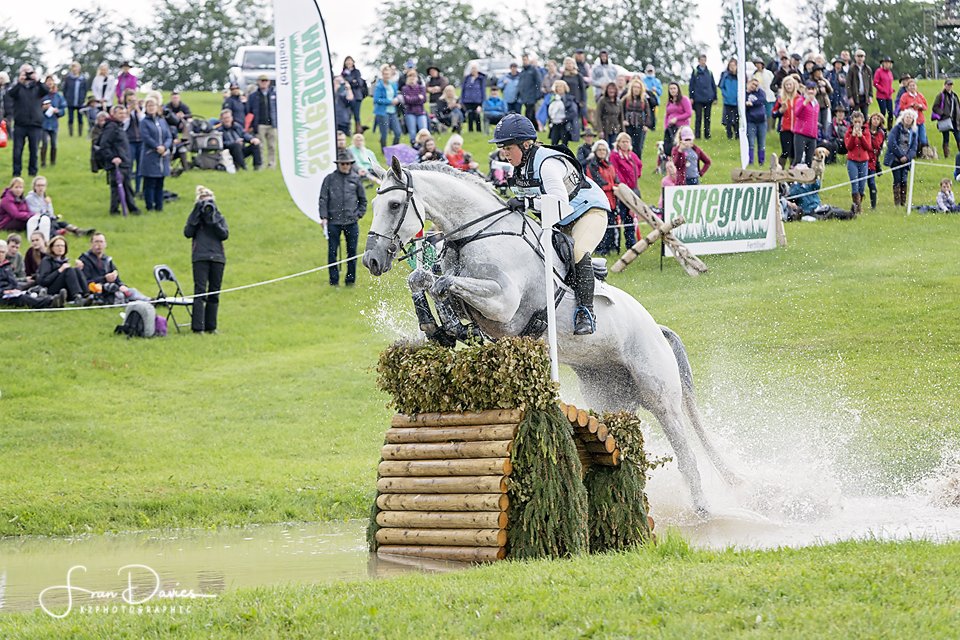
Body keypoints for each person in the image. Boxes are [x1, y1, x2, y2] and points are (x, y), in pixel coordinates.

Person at [489, 113, 611, 334]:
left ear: (526, 145)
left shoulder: (547, 163)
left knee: (577, 250)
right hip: (558, 219)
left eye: (508, 148)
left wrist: (526, 202)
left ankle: (586, 311)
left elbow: (559, 202)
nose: (504, 153)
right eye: (502, 148)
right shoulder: (518, 169)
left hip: (588, 211)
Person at [184, 186, 229, 332]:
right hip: (200, 257)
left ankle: (211, 327)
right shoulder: (195, 219)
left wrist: (213, 219)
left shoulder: (219, 216)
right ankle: (197, 328)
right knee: (200, 292)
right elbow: (188, 232)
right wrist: (196, 212)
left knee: (214, 293)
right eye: (203, 203)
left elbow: (224, 235)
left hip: (217, 257)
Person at [318, 151, 365, 287]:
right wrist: (324, 217)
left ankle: (350, 280)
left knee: (352, 252)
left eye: (347, 164)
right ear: (338, 165)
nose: (345, 166)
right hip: (333, 221)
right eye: (342, 164)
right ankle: (333, 280)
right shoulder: (330, 179)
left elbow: (363, 200)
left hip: (351, 222)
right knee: (332, 252)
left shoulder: (356, 179)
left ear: (350, 165)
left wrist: (358, 214)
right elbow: (323, 199)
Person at [79, 233, 149, 304]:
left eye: (101, 242)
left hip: (111, 288)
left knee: (131, 291)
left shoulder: (107, 260)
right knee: (120, 295)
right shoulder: (85, 260)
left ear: (105, 244)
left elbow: (117, 280)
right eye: (96, 241)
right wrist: (104, 279)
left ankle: (150, 300)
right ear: (91, 244)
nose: (99, 245)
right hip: (96, 290)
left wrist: (122, 285)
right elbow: (85, 281)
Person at [98, 104, 141, 215]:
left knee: (127, 187)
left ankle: (132, 209)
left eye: (124, 113)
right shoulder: (111, 127)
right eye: (120, 113)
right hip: (117, 163)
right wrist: (112, 157)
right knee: (117, 188)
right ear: (113, 114)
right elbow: (104, 145)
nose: (122, 115)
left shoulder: (119, 126)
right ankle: (115, 210)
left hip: (125, 162)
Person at [7, 64, 49, 178]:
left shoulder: (37, 87)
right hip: (20, 124)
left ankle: (32, 172)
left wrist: (38, 80)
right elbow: (10, 94)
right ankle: (16, 173)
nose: (27, 75)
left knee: (34, 150)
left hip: (35, 124)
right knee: (17, 150)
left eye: (29, 72)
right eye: (25, 72)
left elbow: (46, 91)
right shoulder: (17, 87)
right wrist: (20, 82)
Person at [0, 239, 64, 309]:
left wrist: (14, 289)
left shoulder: (6, 266)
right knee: (22, 298)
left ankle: (52, 299)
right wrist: (5, 291)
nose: (0, 254)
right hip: (3, 294)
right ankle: (50, 302)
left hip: (11, 291)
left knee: (28, 292)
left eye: (2, 252)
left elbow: (13, 282)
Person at [584, 139, 622, 256]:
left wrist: (616, 186)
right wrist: (612, 187)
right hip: (600, 200)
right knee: (601, 227)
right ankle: (600, 249)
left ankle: (611, 248)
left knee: (611, 225)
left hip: (612, 200)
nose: (602, 152)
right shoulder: (592, 166)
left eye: (604, 150)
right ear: (595, 151)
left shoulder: (610, 165)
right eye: (599, 150)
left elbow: (616, 180)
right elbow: (598, 183)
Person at [25, 176, 92, 238]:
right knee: (51, 224)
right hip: (38, 221)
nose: (41, 188)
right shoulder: (30, 198)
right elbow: (35, 212)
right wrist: (46, 207)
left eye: (43, 185)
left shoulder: (45, 197)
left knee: (63, 223)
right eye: (38, 185)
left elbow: (51, 213)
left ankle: (78, 231)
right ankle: (57, 233)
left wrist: (48, 204)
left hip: (48, 218)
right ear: (34, 186)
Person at [139, 97, 172, 212]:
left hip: (162, 156)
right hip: (150, 155)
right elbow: (146, 136)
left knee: (160, 182)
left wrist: (165, 147)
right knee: (150, 182)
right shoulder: (144, 122)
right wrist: (157, 146)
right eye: (149, 106)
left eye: (153, 106)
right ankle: (149, 206)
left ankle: (159, 206)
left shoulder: (162, 121)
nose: (151, 108)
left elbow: (169, 136)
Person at [610, 132, 642, 248]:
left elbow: (639, 165)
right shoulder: (615, 155)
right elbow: (615, 171)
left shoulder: (632, 155)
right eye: (622, 141)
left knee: (632, 216)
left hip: (633, 190)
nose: (625, 144)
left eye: (627, 141)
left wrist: (636, 176)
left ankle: (631, 243)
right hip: (622, 191)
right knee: (622, 217)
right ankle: (620, 244)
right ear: (618, 143)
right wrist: (623, 184)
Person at [36, 235, 88, 304]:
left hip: (64, 289)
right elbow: (43, 281)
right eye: (57, 246)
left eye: (62, 246)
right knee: (68, 270)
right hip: (50, 290)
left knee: (76, 270)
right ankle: (77, 297)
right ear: (52, 248)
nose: (60, 248)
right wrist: (59, 270)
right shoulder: (47, 260)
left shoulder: (64, 260)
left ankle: (86, 295)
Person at [884, 109, 919, 207]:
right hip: (895, 159)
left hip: (906, 161)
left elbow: (914, 148)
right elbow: (891, 143)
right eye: (907, 117)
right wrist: (900, 155)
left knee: (904, 180)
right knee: (897, 179)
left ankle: (903, 202)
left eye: (911, 118)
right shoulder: (896, 129)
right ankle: (897, 203)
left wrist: (907, 157)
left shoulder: (914, 132)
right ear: (903, 118)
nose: (908, 119)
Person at [844, 111, 872, 215]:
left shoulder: (866, 132)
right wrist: (853, 136)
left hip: (864, 161)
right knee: (854, 184)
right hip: (852, 161)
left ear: (862, 122)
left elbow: (868, 147)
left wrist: (861, 137)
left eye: (859, 122)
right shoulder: (848, 132)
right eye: (855, 122)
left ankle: (859, 204)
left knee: (862, 185)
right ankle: (856, 207)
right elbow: (848, 147)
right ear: (852, 122)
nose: (857, 124)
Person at [248, 75, 277, 168]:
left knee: (272, 146)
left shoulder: (274, 94)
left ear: (269, 82)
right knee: (260, 146)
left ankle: (271, 164)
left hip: (271, 124)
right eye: (262, 81)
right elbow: (249, 111)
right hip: (259, 124)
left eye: (266, 81)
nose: (264, 82)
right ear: (258, 82)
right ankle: (261, 164)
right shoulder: (253, 96)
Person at [621, 79, 655, 160]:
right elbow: (621, 111)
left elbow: (648, 113)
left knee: (638, 147)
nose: (636, 89)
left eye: (638, 87)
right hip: (628, 126)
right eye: (634, 87)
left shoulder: (644, 100)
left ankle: (637, 165)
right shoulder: (626, 99)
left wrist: (647, 125)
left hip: (640, 126)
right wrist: (623, 120)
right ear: (631, 88)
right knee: (627, 145)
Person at [372, 65, 403, 148]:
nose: (386, 76)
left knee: (398, 132)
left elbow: (396, 95)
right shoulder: (379, 86)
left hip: (393, 112)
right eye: (385, 74)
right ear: (382, 75)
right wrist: (389, 101)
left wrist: (397, 99)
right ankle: (384, 150)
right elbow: (376, 99)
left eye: (388, 74)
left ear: (390, 75)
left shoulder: (393, 85)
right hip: (382, 112)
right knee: (384, 134)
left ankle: (393, 149)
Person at [774, 75, 800, 167]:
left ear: (794, 86)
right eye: (786, 85)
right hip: (785, 129)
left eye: (790, 84)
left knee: (794, 152)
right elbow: (773, 113)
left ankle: (791, 173)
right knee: (786, 151)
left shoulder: (799, 98)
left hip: (797, 129)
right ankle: (780, 170)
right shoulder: (781, 99)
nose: (789, 87)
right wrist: (781, 110)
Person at [688, 54, 716, 139]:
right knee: (698, 117)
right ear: (699, 61)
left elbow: (713, 85)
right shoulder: (695, 72)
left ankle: (707, 134)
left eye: (704, 60)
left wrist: (715, 97)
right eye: (701, 60)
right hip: (698, 98)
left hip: (708, 97)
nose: (703, 62)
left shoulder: (709, 72)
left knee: (707, 118)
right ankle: (697, 135)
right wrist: (691, 97)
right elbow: (691, 85)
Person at [793, 82, 820, 166]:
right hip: (801, 133)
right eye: (809, 89)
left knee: (809, 160)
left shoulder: (816, 103)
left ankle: (807, 178)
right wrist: (805, 102)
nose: (811, 91)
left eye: (813, 89)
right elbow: (796, 113)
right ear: (805, 90)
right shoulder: (800, 100)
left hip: (812, 135)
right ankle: (792, 177)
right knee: (798, 157)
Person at [932, 79, 960, 159]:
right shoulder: (941, 95)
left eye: (951, 85)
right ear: (944, 85)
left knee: (958, 137)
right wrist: (942, 114)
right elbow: (935, 107)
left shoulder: (954, 95)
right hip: (945, 120)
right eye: (948, 85)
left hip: (955, 120)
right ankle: (946, 156)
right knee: (946, 138)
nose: (949, 86)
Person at [898, 78, 929, 151]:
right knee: (912, 138)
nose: (912, 87)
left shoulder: (920, 95)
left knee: (923, 138)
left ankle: (922, 152)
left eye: (914, 85)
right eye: (911, 86)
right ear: (908, 87)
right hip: (911, 121)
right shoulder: (904, 96)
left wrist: (920, 106)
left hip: (920, 120)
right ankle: (911, 152)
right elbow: (902, 107)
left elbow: (925, 107)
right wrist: (910, 105)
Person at [865, 112, 886, 209]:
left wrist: (878, 165)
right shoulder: (865, 130)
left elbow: (879, 149)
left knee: (872, 183)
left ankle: (873, 205)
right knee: (861, 184)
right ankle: (858, 204)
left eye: (878, 119)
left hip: (873, 161)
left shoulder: (881, 134)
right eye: (874, 118)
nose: (875, 121)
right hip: (864, 159)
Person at [401, 69, 429, 143]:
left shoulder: (421, 88)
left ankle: (424, 146)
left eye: (414, 76)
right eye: (410, 76)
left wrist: (413, 99)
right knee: (412, 132)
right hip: (410, 112)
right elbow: (407, 100)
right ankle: (414, 147)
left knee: (424, 131)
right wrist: (418, 97)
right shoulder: (404, 89)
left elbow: (424, 99)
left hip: (421, 112)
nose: (412, 78)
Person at [745, 77, 768, 166]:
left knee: (761, 143)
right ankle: (750, 161)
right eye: (752, 84)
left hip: (761, 121)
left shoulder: (760, 93)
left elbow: (762, 100)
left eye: (756, 85)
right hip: (751, 121)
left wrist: (752, 103)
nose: (754, 86)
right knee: (751, 143)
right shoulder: (744, 94)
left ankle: (761, 162)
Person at [341, 56, 366, 134]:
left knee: (356, 115)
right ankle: (347, 131)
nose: (348, 62)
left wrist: (349, 80)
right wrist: (353, 81)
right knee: (347, 114)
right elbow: (342, 83)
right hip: (346, 96)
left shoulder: (357, 72)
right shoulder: (343, 73)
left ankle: (358, 131)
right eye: (347, 61)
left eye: (350, 61)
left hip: (357, 97)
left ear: (353, 62)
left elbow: (359, 83)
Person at [517, 53, 543, 127]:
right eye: (523, 60)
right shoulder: (523, 71)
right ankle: (536, 127)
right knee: (532, 113)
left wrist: (538, 95)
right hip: (524, 96)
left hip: (532, 96)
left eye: (525, 60)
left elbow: (539, 82)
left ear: (529, 60)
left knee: (528, 113)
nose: (524, 61)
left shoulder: (534, 70)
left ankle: (527, 127)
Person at [63, 62, 88, 137]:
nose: (75, 69)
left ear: (79, 69)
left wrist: (83, 98)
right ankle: (71, 134)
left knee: (80, 119)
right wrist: (67, 98)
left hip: (80, 102)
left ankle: (80, 134)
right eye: (73, 68)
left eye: (76, 68)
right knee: (70, 119)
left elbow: (85, 90)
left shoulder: (83, 79)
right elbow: (65, 89)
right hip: (70, 102)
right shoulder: (68, 79)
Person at [560, 57, 587, 126]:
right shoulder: (563, 76)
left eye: (570, 63)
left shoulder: (578, 76)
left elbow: (583, 89)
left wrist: (583, 101)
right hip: (566, 100)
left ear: (574, 64)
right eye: (567, 63)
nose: (569, 65)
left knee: (575, 118)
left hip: (577, 100)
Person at [461, 63, 486, 133]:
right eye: (472, 69)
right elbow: (463, 89)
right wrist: (462, 100)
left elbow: (483, 90)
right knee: (470, 115)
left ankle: (479, 130)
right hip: (468, 100)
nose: (473, 70)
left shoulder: (481, 79)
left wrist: (483, 101)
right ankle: (470, 130)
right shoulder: (467, 78)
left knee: (477, 115)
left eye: (475, 69)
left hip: (478, 100)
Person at [846, 50, 872, 117]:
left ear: (864, 57)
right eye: (858, 56)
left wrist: (870, 95)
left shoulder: (867, 69)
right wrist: (850, 97)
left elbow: (870, 83)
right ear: (855, 57)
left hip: (864, 96)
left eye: (861, 56)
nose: (860, 58)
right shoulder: (851, 69)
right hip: (855, 97)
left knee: (865, 116)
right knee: (854, 116)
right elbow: (848, 83)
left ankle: (864, 128)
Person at [718, 58, 739, 139]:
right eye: (731, 65)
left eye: (734, 65)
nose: (732, 67)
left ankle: (737, 135)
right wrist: (725, 95)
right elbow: (721, 86)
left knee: (736, 119)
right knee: (728, 119)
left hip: (737, 101)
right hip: (727, 101)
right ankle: (729, 136)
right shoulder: (725, 75)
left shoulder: (739, 75)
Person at [752, 58, 776, 129]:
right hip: (761, 95)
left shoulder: (768, 73)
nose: (758, 66)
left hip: (769, 94)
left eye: (759, 64)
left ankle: (770, 127)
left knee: (770, 112)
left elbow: (773, 82)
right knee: (763, 112)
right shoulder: (755, 74)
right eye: (756, 64)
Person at [874, 56, 895, 130]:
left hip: (889, 96)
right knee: (883, 112)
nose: (887, 64)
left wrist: (891, 90)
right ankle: (881, 127)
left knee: (891, 113)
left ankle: (890, 128)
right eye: (886, 63)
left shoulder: (890, 73)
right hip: (881, 96)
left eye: (889, 63)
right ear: (883, 63)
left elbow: (889, 84)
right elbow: (875, 83)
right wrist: (882, 90)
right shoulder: (879, 71)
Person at [810, 66, 833, 133]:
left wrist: (825, 85)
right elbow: (811, 92)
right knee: (817, 123)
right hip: (816, 105)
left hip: (825, 104)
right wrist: (819, 88)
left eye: (821, 71)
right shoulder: (811, 81)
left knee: (825, 124)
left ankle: (824, 138)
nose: (820, 72)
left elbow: (831, 91)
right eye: (818, 71)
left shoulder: (824, 80)